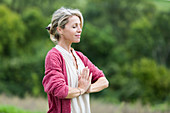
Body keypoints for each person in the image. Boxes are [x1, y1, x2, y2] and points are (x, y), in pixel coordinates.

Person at [42, 7, 109, 113]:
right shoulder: (54, 56)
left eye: (80, 26)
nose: (79, 30)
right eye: (74, 26)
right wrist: (81, 89)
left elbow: (103, 81)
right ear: (60, 29)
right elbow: (60, 91)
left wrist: (86, 88)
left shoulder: (79, 56)